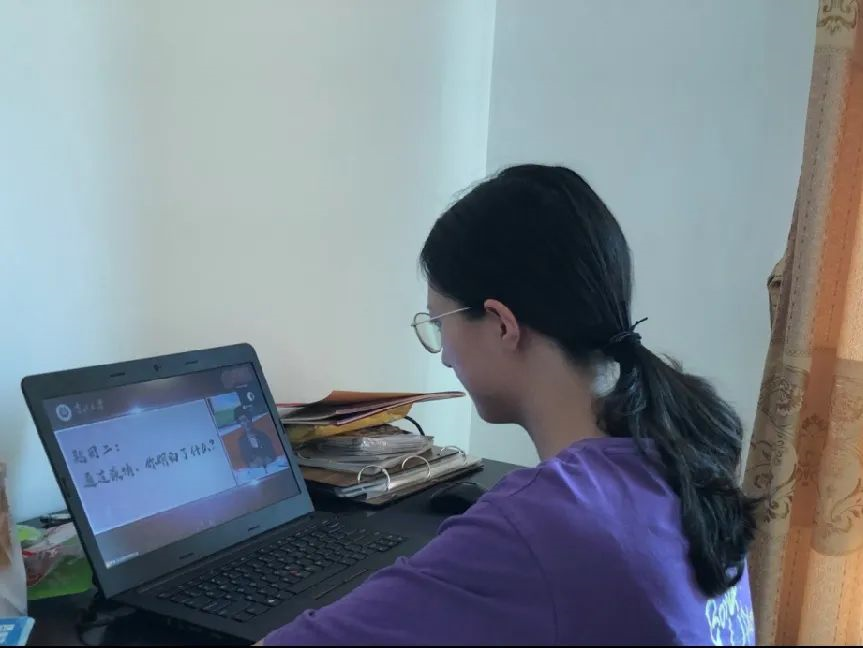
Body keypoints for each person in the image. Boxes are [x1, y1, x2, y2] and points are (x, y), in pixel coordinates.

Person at [262, 165, 757, 645]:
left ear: (502, 324)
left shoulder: (545, 520)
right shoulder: (676, 453)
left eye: (439, 323)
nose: (446, 355)